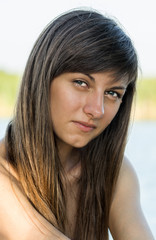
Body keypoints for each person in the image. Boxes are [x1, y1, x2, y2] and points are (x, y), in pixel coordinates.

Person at [0, 9, 154, 240]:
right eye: (81, 83)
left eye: (112, 93)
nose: (97, 109)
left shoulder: (115, 173)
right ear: (44, 79)